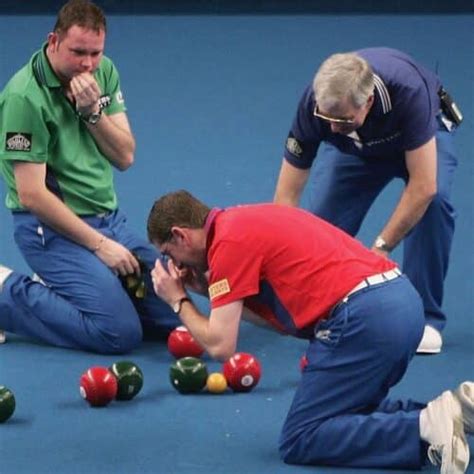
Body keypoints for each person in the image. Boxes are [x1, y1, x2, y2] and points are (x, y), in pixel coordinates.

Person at [147, 189, 472, 472]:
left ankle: (423, 427)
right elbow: (284, 322)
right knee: (346, 410)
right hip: (401, 303)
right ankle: (452, 412)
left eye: (168, 253)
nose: (174, 263)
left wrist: (178, 301)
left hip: (364, 319)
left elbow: (220, 346)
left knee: (302, 437)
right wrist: (209, 293)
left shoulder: (226, 246)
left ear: (180, 235)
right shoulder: (242, 221)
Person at [0, 0, 179, 353]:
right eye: (78, 52)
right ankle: (7, 293)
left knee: (175, 317)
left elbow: (124, 156)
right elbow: (31, 196)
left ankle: (67, 290)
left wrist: (92, 113)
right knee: (118, 333)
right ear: (53, 41)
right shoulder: (24, 98)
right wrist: (99, 247)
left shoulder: (104, 72)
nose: (87, 63)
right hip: (49, 230)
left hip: (108, 221)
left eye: (95, 53)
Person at [273, 48, 462, 354]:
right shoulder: (315, 104)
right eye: (327, 118)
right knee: (319, 229)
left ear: (368, 101)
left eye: (342, 119)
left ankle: (425, 319)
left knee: (435, 203)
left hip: (418, 138)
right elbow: (286, 197)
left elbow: (423, 186)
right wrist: (277, 263)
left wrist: (381, 246)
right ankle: (317, 306)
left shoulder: (408, 92)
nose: (332, 126)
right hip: (355, 148)